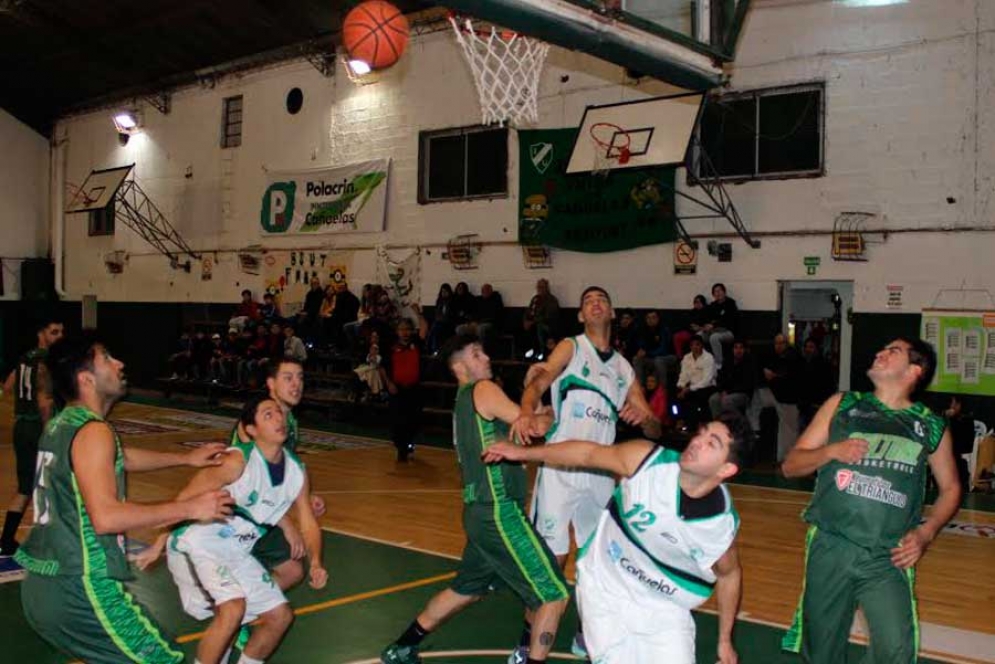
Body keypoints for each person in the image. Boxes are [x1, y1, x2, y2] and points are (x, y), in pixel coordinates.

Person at [15, 333, 234, 663]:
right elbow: (106, 518)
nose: (120, 364)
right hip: (81, 584)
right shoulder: (94, 432)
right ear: (86, 378)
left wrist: (185, 459)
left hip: (42, 585)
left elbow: (118, 458)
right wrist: (190, 507)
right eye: (107, 358)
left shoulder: (62, 425)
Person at [483, 411, 751, 664]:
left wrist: (725, 640)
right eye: (701, 434)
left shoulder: (718, 524)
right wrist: (524, 452)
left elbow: (729, 574)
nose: (696, 442)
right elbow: (587, 454)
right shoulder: (647, 462)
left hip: (666, 606)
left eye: (711, 443)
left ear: (726, 469)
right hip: (605, 588)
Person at [379, 334, 569, 664]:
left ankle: (402, 647)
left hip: (479, 513)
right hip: (499, 512)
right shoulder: (483, 390)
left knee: (466, 589)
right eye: (477, 354)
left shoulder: (463, 402)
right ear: (460, 366)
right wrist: (543, 403)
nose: (486, 359)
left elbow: (523, 426)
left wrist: (533, 405)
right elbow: (536, 428)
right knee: (554, 594)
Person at [781, 337, 961, 664]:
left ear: (914, 370)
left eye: (893, 351)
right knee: (821, 651)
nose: (880, 352)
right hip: (832, 545)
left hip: (888, 555)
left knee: (896, 649)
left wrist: (926, 532)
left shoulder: (930, 425)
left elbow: (951, 489)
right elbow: (791, 465)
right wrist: (831, 451)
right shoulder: (844, 404)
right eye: (882, 347)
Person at [511, 286, 659, 658]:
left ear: (611, 312)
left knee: (598, 563)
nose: (595, 303)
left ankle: (585, 633)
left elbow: (655, 428)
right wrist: (527, 411)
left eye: (602, 300)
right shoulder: (571, 347)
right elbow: (538, 382)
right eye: (588, 301)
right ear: (580, 315)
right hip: (560, 469)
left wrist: (646, 417)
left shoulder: (624, 368)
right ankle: (525, 640)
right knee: (552, 562)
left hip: (600, 476)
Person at [149, 396, 327, 664]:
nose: (279, 418)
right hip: (196, 544)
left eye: (279, 413)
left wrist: (315, 562)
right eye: (268, 415)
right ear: (251, 430)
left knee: (279, 617)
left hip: (234, 551)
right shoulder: (236, 461)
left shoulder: (297, 471)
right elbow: (184, 497)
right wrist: (159, 540)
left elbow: (308, 521)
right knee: (232, 610)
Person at [0, 316, 63, 556]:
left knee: (25, 487)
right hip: (38, 428)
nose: (59, 337)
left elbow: (7, 387)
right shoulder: (46, 363)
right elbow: (45, 401)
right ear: (42, 333)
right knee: (51, 484)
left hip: (21, 428)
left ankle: (6, 540)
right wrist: (51, 432)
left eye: (61, 332)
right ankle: (48, 541)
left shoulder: (25, 358)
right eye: (54, 332)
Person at [382, 306, 429, 462]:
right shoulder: (390, 347)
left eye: (408, 329)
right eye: (402, 329)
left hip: (414, 389)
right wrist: (389, 383)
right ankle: (401, 447)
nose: (405, 333)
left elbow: (424, 329)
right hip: (397, 389)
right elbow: (382, 367)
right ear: (397, 331)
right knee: (397, 421)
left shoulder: (416, 343)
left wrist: (418, 314)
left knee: (413, 420)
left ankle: (408, 444)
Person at [753, 333, 801, 463]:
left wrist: (773, 375)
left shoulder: (792, 357)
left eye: (781, 343)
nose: (778, 346)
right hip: (779, 396)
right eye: (776, 343)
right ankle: (783, 457)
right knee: (785, 429)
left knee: (789, 429)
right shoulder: (775, 357)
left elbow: (789, 376)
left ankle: (790, 457)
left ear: (787, 344)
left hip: (789, 398)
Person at [675, 335, 717, 429]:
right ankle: (681, 420)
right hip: (690, 386)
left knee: (695, 396)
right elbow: (683, 374)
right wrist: (680, 387)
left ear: (702, 346)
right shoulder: (687, 357)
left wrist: (688, 389)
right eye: (692, 345)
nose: (695, 347)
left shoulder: (708, 358)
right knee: (675, 394)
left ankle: (696, 424)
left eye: (697, 345)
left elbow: (707, 380)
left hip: (707, 386)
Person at [708, 339, 757, 419]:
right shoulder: (728, 361)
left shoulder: (749, 362)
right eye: (736, 348)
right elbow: (720, 378)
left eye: (741, 348)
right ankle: (719, 424)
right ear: (732, 349)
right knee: (713, 399)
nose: (738, 350)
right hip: (726, 392)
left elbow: (746, 384)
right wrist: (722, 390)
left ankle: (741, 422)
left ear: (744, 350)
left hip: (743, 394)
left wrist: (728, 392)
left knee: (726, 401)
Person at [797, 337, 836, 431]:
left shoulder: (824, 365)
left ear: (817, 349)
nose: (807, 349)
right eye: (806, 347)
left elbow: (829, 385)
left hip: (817, 404)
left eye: (811, 347)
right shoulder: (803, 363)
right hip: (805, 405)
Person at [633, 309, 678, 387]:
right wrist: (640, 351)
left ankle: (662, 390)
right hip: (651, 357)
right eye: (648, 318)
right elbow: (641, 346)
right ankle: (640, 387)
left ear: (658, 319)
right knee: (637, 359)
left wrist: (647, 353)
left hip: (668, 357)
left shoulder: (664, 330)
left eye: (653, 318)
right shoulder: (643, 330)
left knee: (658, 360)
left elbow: (663, 350)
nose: (651, 320)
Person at [703, 284, 738, 370]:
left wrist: (714, 324)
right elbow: (708, 319)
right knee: (699, 335)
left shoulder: (731, 303)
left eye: (720, 291)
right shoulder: (712, 305)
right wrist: (706, 326)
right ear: (713, 294)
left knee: (714, 338)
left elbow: (727, 320)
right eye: (715, 291)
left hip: (728, 332)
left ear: (724, 292)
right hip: (714, 330)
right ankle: (702, 361)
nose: (718, 293)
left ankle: (719, 363)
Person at [522, 278, 560, 359]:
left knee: (539, 328)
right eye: (538, 287)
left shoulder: (551, 300)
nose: (539, 289)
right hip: (534, 323)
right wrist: (526, 320)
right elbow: (529, 310)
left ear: (547, 288)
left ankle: (541, 353)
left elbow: (548, 316)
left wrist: (533, 322)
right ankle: (526, 353)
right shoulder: (535, 298)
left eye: (542, 287)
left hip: (548, 325)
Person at [672, 294, 710, 359]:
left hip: (702, 332)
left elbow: (707, 325)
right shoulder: (691, 312)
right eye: (695, 302)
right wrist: (692, 326)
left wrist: (699, 327)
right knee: (677, 336)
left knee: (698, 336)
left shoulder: (707, 311)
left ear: (703, 303)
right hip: (690, 331)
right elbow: (687, 322)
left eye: (699, 302)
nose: (697, 304)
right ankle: (679, 358)